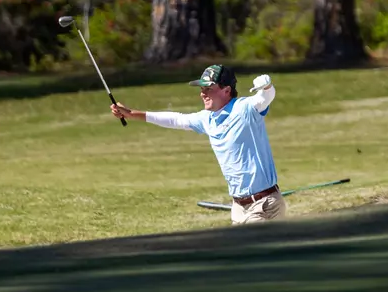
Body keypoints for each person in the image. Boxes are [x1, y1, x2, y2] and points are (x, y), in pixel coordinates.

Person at [110, 64, 286, 225]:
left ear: (226, 90)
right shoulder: (207, 118)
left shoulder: (245, 108)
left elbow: (265, 97)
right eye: (202, 89)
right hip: (239, 207)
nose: (203, 93)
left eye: (208, 88)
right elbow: (175, 119)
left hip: (264, 205)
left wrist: (267, 86)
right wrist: (132, 114)